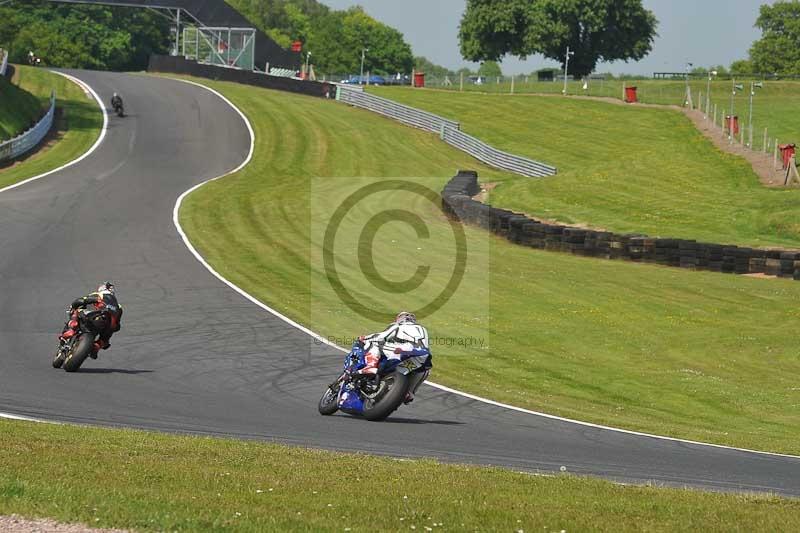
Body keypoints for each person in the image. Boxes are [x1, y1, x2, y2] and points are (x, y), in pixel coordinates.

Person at [358, 311, 431, 403]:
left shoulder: (397, 326)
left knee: (374, 343)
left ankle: (370, 366)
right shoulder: (423, 329)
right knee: (424, 370)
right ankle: (409, 393)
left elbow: (380, 337)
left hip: (402, 351)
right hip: (421, 357)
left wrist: (364, 338)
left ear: (399, 319)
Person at [60, 282, 123, 358]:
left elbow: (82, 300)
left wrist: (73, 306)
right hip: (107, 326)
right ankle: (97, 346)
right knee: (106, 336)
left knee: (77, 310)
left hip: (93, 317)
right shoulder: (118, 306)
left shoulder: (100, 294)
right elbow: (117, 326)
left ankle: (71, 329)